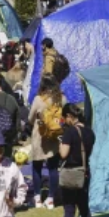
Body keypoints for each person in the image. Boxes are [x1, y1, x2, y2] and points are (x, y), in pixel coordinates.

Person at [30, 75, 64, 210]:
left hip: (40, 135)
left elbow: (30, 118)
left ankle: (37, 197)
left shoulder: (39, 99)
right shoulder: (61, 98)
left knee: (37, 166)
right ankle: (51, 198)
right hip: (55, 136)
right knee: (53, 168)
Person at [60, 103, 95, 217]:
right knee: (84, 208)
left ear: (69, 116)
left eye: (64, 118)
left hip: (71, 172)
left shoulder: (70, 132)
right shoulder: (90, 132)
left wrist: (61, 140)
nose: (64, 121)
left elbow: (63, 154)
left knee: (69, 209)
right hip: (84, 172)